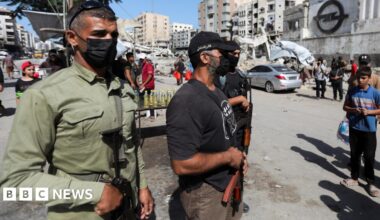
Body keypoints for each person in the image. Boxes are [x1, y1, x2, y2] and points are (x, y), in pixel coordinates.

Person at [0, 2, 154, 219]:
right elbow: (16, 183)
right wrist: (94, 193)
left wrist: (143, 186)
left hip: (128, 209)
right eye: (99, 34)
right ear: (72, 37)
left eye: (113, 35)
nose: (109, 41)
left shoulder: (124, 87)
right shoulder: (44, 95)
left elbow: (132, 144)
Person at [166, 31, 248, 220]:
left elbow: (223, 135)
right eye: (221, 52)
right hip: (207, 195)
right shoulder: (186, 100)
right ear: (204, 57)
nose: (226, 57)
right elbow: (181, 164)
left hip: (229, 186)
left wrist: (238, 157)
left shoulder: (216, 92)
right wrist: (228, 157)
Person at [215, 40, 251, 213]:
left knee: (242, 164)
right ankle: (228, 202)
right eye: (233, 54)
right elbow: (216, 104)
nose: (236, 57)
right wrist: (239, 100)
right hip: (226, 130)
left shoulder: (240, 75)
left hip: (242, 127)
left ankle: (238, 199)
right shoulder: (218, 77)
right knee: (229, 166)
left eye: (238, 54)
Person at [340, 66, 380, 197]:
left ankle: (371, 183)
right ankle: (355, 178)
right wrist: (353, 110)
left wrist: (369, 112)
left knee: (369, 157)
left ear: (369, 78)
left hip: (369, 130)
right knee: (355, 155)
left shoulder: (375, 93)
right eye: (359, 78)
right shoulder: (352, 91)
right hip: (354, 128)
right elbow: (345, 106)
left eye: (363, 78)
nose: (360, 80)